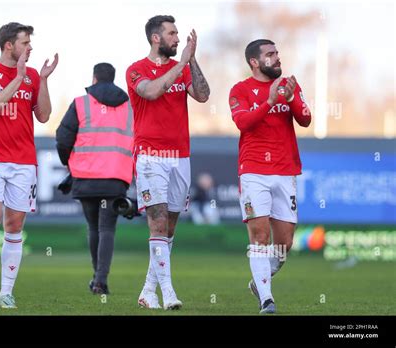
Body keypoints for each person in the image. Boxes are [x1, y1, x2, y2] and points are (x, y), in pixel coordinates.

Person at [0, 22, 58, 309]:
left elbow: (43, 116)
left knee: (14, 224)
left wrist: (42, 81)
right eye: (25, 42)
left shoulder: (32, 75)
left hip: (23, 160)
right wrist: (17, 79)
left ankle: (7, 291)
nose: (30, 47)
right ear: (9, 45)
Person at [126, 15, 210, 310]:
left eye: (178, 34)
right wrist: (180, 64)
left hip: (180, 156)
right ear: (156, 38)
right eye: (172, 33)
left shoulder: (183, 68)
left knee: (170, 229)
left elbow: (202, 95)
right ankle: (168, 293)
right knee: (157, 225)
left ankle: (148, 291)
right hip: (151, 156)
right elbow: (150, 91)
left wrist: (192, 60)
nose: (178, 38)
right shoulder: (136, 70)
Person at [228, 39, 311, 314]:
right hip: (253, 170)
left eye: (277, 53)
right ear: (254, 61)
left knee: (285, 243)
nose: (277, 58)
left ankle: (260, 280)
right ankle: (267, 299)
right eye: (270, 54)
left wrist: (289, 98)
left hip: (285, 170)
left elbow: (305, 119)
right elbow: (243, 123)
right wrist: (270, 100)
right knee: (260, 236)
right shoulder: (240, 90)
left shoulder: (290, 85)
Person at [56, 63, 133, 295]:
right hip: (115, 178)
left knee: (93, 228)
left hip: (86, 176)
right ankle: (100, 279)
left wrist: (68, 162)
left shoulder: (81, 103)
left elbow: (63, 137)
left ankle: (97, 277)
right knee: (107, 228)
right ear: (114, 78)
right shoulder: (130, 107)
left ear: (94, 78)